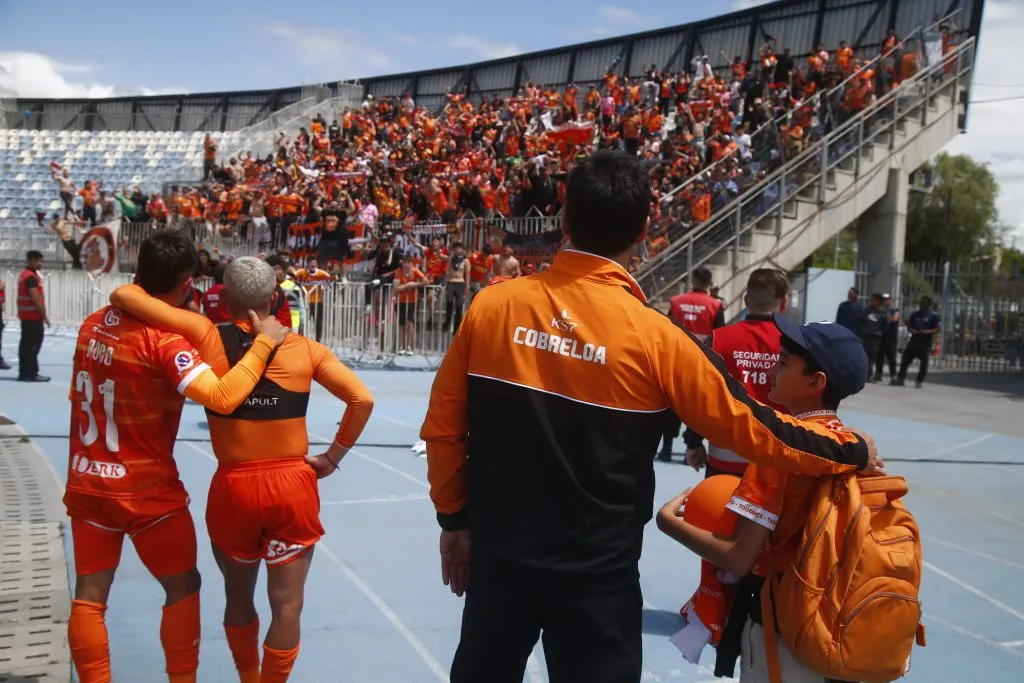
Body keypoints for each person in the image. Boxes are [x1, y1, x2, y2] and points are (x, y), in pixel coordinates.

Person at [419, 150, 870, 683]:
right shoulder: (659, 339)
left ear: (564, 220)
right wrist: (847, 448)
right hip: (598, 578)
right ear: (644, 231)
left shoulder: (492, 307)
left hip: (500, 559)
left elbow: (444, 428)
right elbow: (755, 429)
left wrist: (455, 521)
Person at [109, 257, 375, 683]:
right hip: (292, 485)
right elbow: (362, 399)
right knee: (287, 605)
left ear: (223, 297)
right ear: (275, 298)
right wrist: (332, 457)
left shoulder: (204, 336)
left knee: (237, 596)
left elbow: (122, 295)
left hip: (234, 486)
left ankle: (248, 675)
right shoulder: (306, 350)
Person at [65, 231, 289, 683]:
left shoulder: (92, 324)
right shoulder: (165, 343)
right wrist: (265, 342)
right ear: (187, 282)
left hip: (87, 481)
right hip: (146, 489)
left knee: (90, 595)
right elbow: (222, 397)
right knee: (183, 586)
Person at [656, 315, 876, 683]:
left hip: (781, 620)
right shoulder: (851, 444)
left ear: (815, 382)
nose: (772, 368)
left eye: (784, 362)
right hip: (834, 616)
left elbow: (739, 556)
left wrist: (668, 522)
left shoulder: (780, 453)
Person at [682, 267, 791, 477]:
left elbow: (701, 395)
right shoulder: (796, 345)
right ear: (784, 302)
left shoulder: (718, 339)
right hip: (779, 461)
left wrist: (693, 442)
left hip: (725, 458)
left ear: (746, 300)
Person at [658, 266, 726, 460]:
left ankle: (666, 448)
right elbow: (719, 334)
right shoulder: (715, 305)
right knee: (696, 405)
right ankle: (692, 448)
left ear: (693, 280)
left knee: (671, 404)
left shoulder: (677, 301)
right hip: (701, 362)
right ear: (710, 283)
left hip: (675, 359)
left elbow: (666, 328)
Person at [16, 250, 50, 382]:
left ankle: (24, 372)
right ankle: (31, 373)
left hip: (26, 316)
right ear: (31, 261)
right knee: (32, 345)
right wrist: (44, 316)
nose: (40, 263)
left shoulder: (24, 275)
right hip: (33, 317)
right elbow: (35, 299)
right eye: (38, 261)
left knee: (25, 345)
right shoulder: (31, 278)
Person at [896, 295, 940, 388]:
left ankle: (919, 381)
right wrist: (912, 330)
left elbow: (937, 329)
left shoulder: (933, 316)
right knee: (905, 361)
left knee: (924, 364)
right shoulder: (915, 314)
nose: (921, 303)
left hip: (925, 343)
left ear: (928, 304)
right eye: (921, 301)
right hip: (914, 342)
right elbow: (909, 325)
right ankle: (900, 379)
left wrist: (925, 332)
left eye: (923, 302)